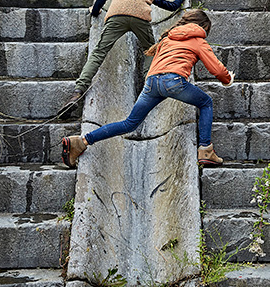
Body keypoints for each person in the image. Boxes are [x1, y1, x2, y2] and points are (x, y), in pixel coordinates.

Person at [61, 9, 234, 168]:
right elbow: (217, 69)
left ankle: (82, 141)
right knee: (206, 102)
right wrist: (227, 79)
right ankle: (206, 150)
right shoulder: (198, 40)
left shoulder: (168, 37)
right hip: (173, 81)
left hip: (152, 82)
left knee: (129, 123)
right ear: (203, 27)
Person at [58, 0, 191, 119]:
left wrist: (95, 11)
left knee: (98, 53)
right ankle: (148, 91)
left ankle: (77, 92)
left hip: (116, 17)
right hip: (140, 19)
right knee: (151, 51)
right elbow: (171, 6)